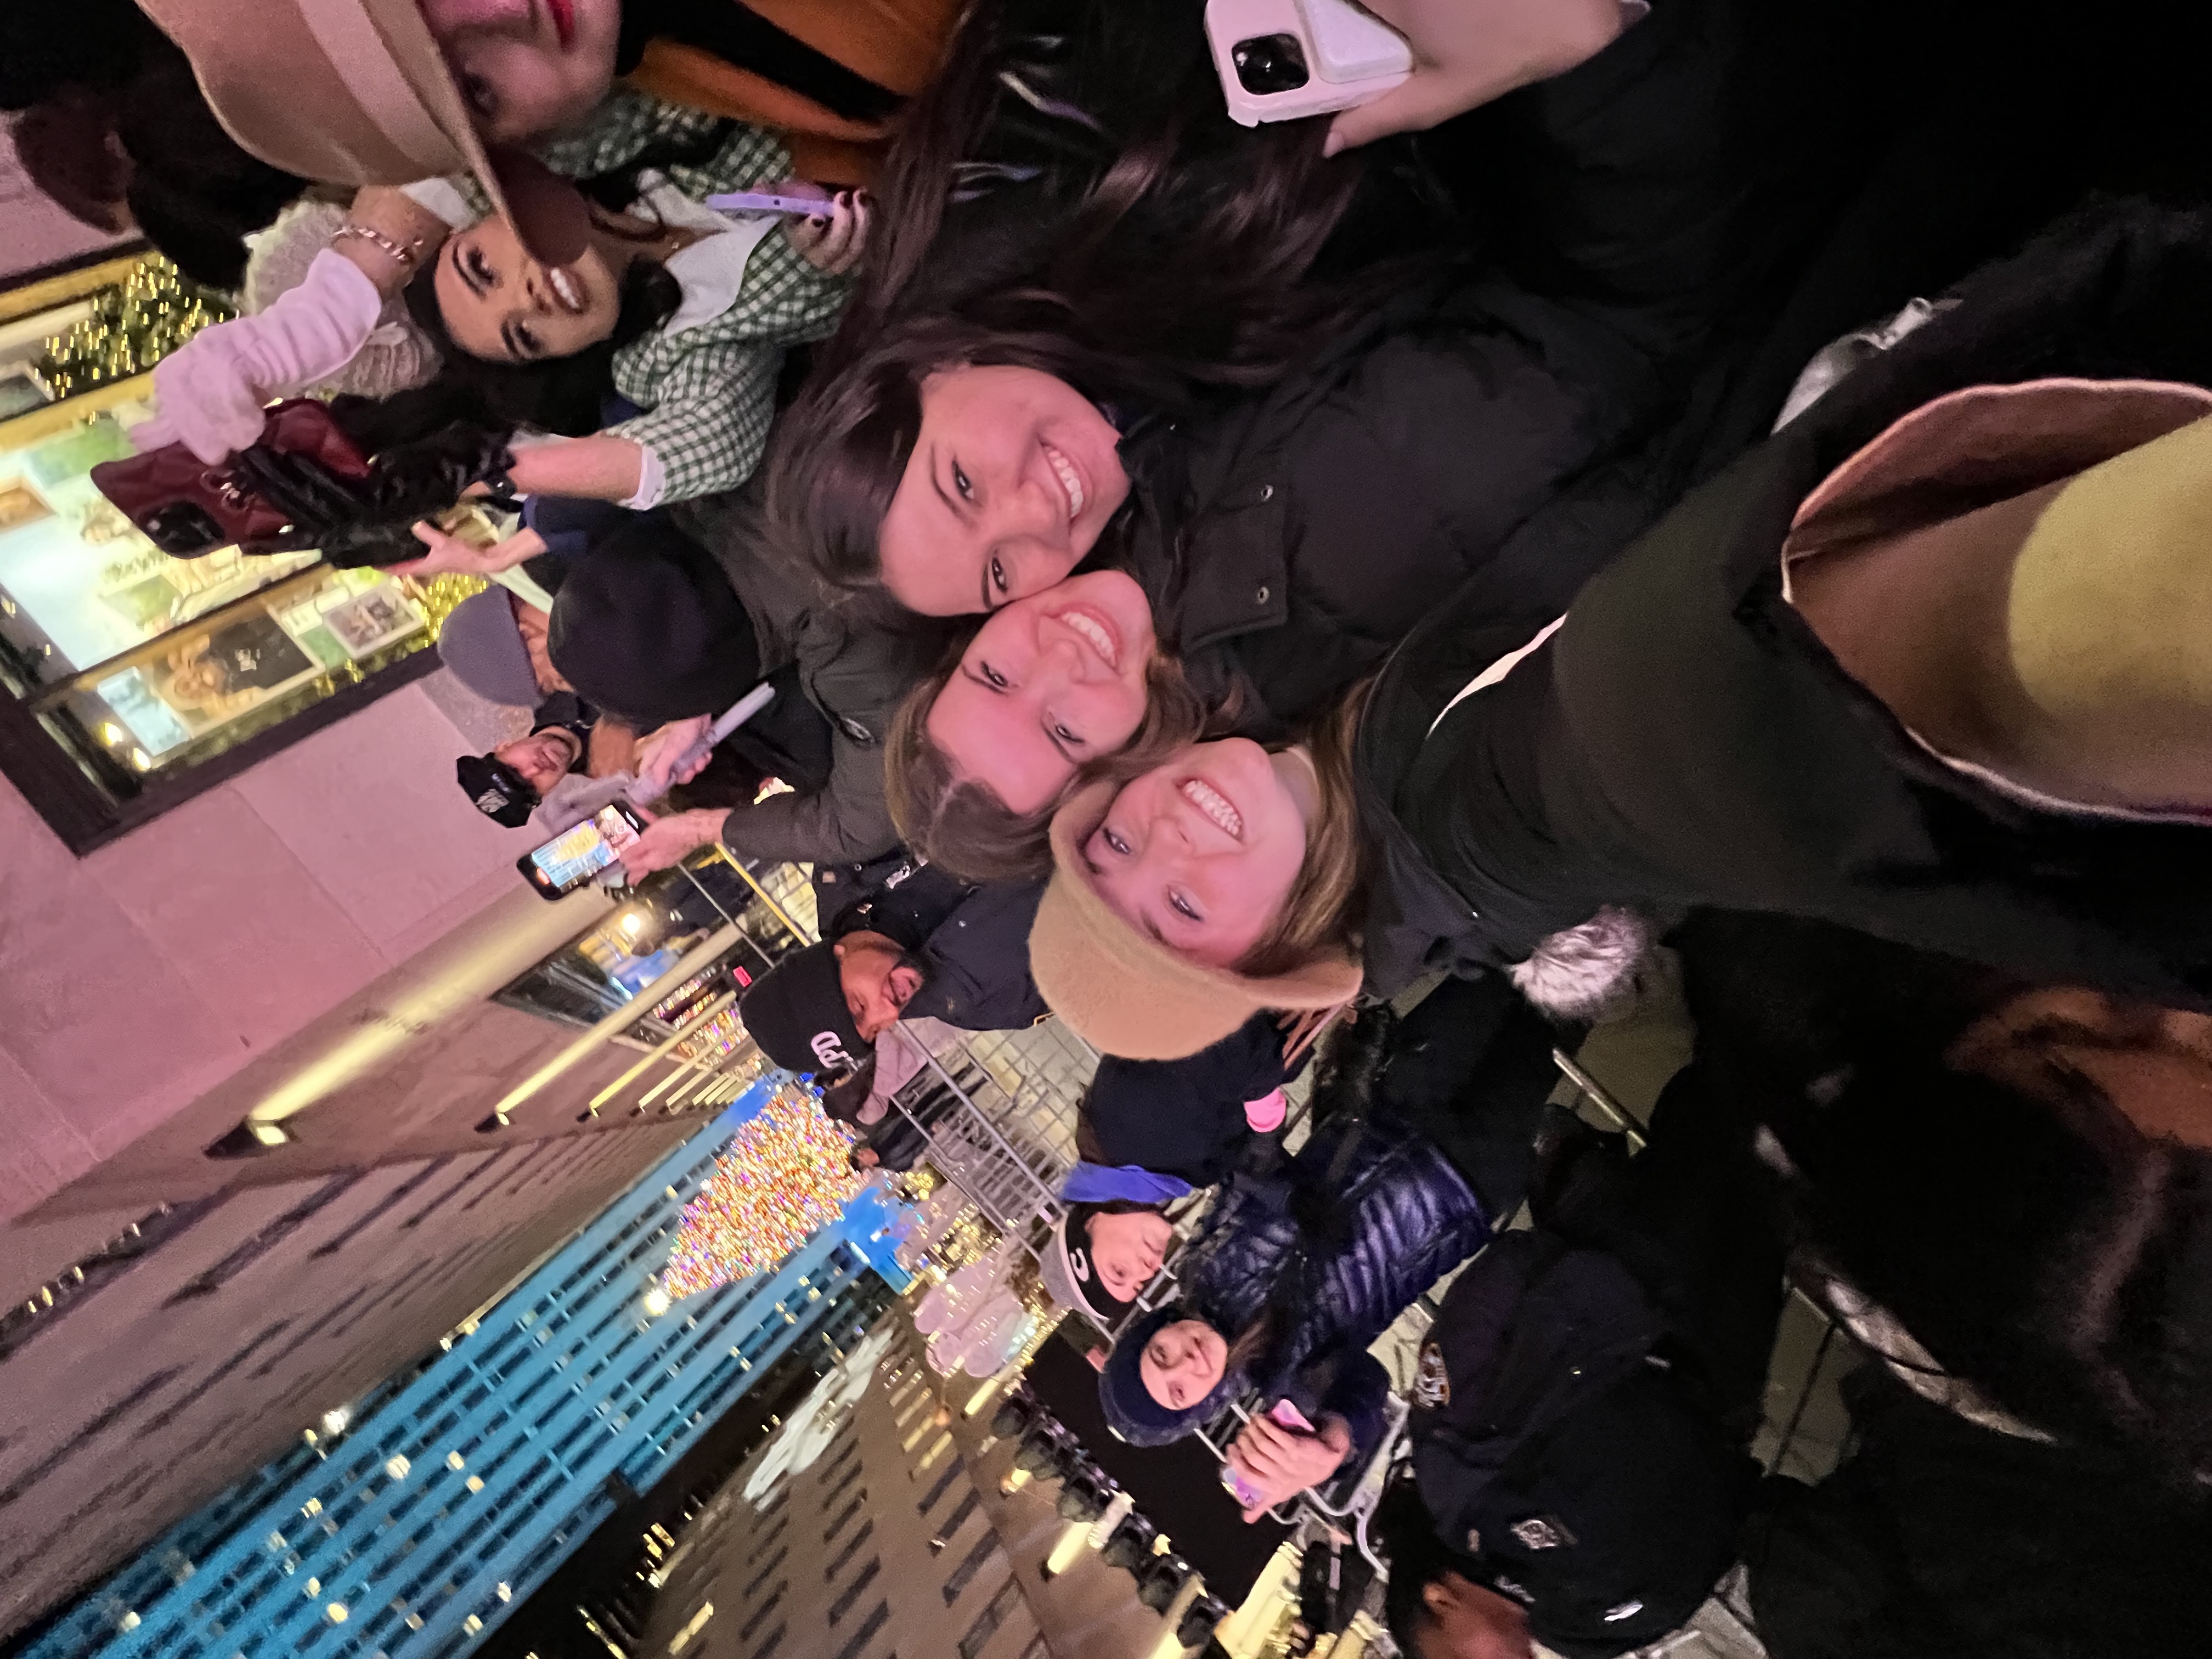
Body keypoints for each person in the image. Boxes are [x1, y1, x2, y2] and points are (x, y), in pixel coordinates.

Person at [1025, 202, 2212, 1060]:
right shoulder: (1472, 838)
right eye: (1180, 913)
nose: (1163, 839)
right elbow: (1733, 695)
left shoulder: (1362, 750)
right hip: (1961, 391)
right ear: (1272, 955)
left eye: (1112, 849)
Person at [785, 0, 1896, 873]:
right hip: (1686, 193)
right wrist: (1571, 71)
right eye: (1067, 734)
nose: (1055, 664)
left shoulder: (1127, 447)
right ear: (1115, 763)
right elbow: (1602, 365)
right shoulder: (1304, 621)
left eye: (992, 673)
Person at [134, 98, 863, 519]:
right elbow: (708, 447)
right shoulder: (679, 348)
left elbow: (445, 147)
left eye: (483, 268)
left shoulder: (603, 144)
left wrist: (328, 308)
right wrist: (490, 467)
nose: (529, 296)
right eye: (527, 337)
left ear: (484, 211)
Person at [1375, 1062, 1787, 1659]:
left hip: (1646, 1280)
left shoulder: (1453, 1480)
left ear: (1442, 1601)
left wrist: (1584, 1255)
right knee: (1777, 1191)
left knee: (1723, 1106)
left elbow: (1473, 1319)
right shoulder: (1574, 1625)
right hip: (1723, 1369)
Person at [1091, 1011, 1499, 1517]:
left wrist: (1290, 1200)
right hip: (1456, 1192)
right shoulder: (1284, 1380)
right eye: (1179, 1391)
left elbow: (1247, 1175)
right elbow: (1365, 1388)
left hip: (1388, 1109)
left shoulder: (1199, 1270)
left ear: (1157, 1329)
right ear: (1196, 1407)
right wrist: (1331, 1447)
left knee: (1489, 986)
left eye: (1161, 1354)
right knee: (1546, 1037)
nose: (1186, 1361)